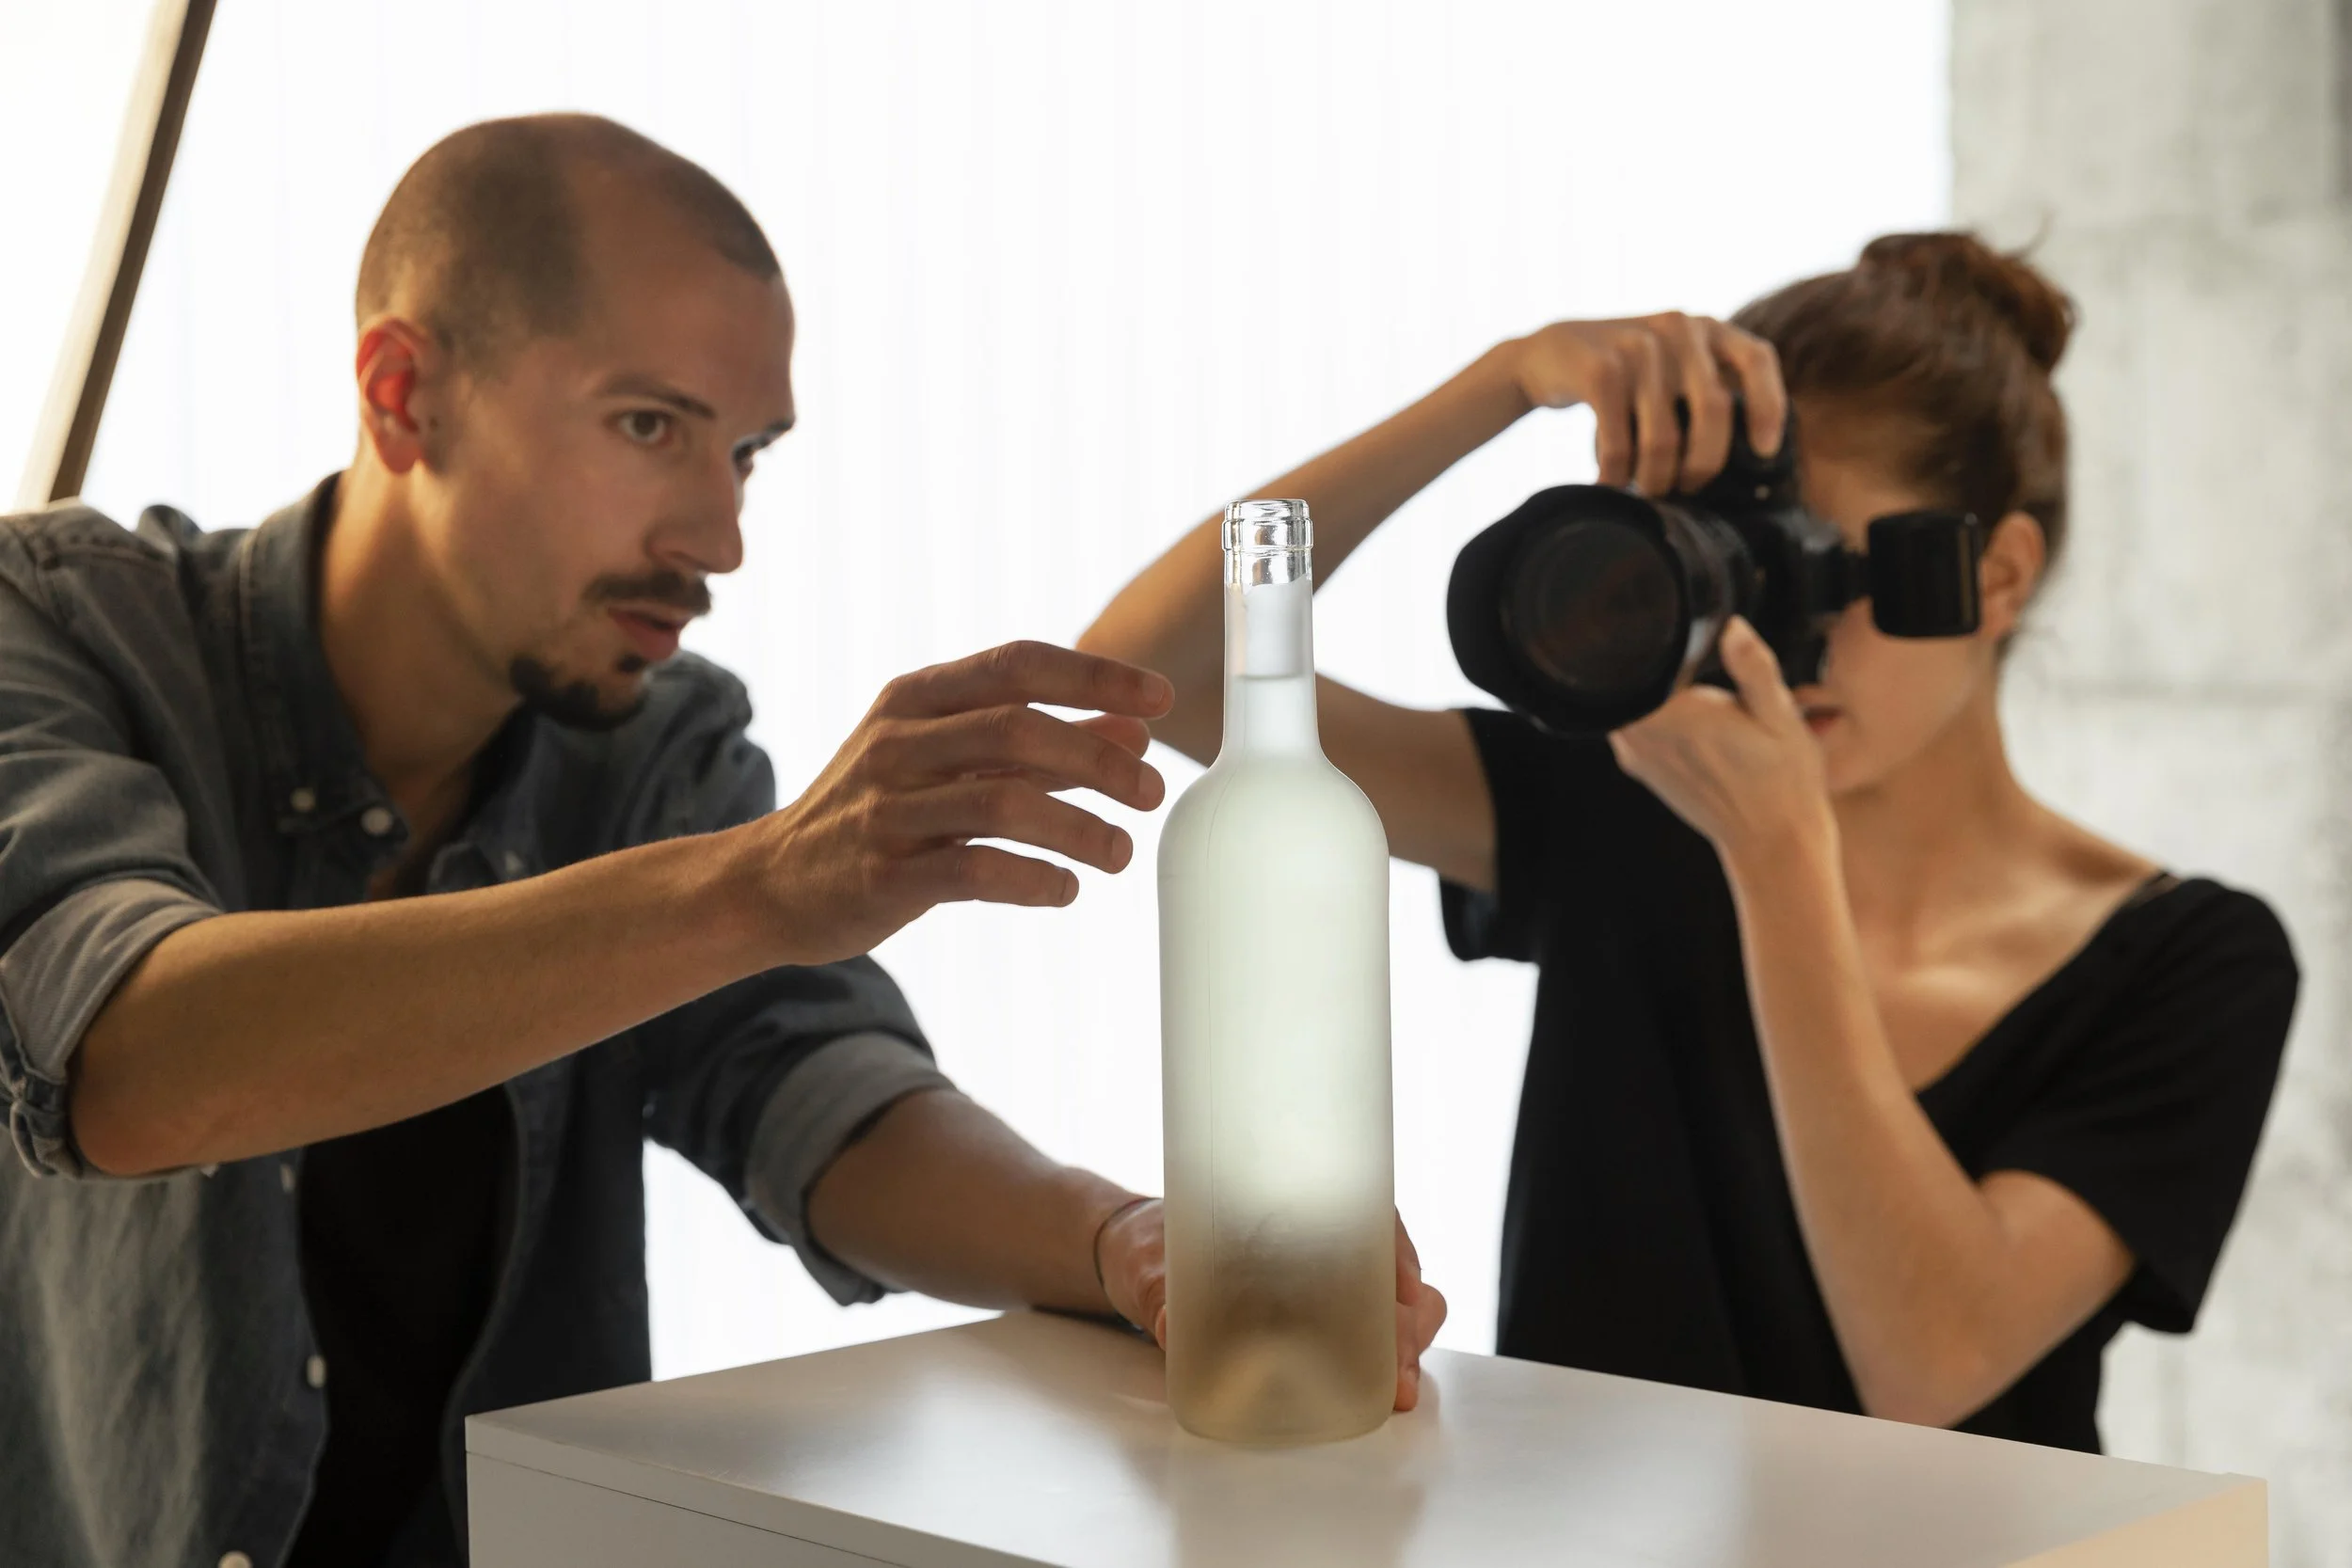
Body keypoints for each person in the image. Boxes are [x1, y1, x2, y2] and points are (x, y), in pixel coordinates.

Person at [0, 115, 1447, 1568]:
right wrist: (762, 883)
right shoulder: (60, 630)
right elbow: (124, 1057)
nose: (720, 533)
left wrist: (1125, 1238)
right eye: (651, 425)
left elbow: (815, 1087)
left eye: (745, 452)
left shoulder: (654, 749)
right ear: (403, 396)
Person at [1082, 232, 2296, 1451]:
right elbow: (1152, 674)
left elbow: (1931, 1357)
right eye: (1731, 564)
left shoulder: (2192, 961)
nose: (1769, 626)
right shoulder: (1629, 795)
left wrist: (1778, 856)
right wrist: (1502, 384)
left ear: (1991, 578)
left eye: (1816, 562)